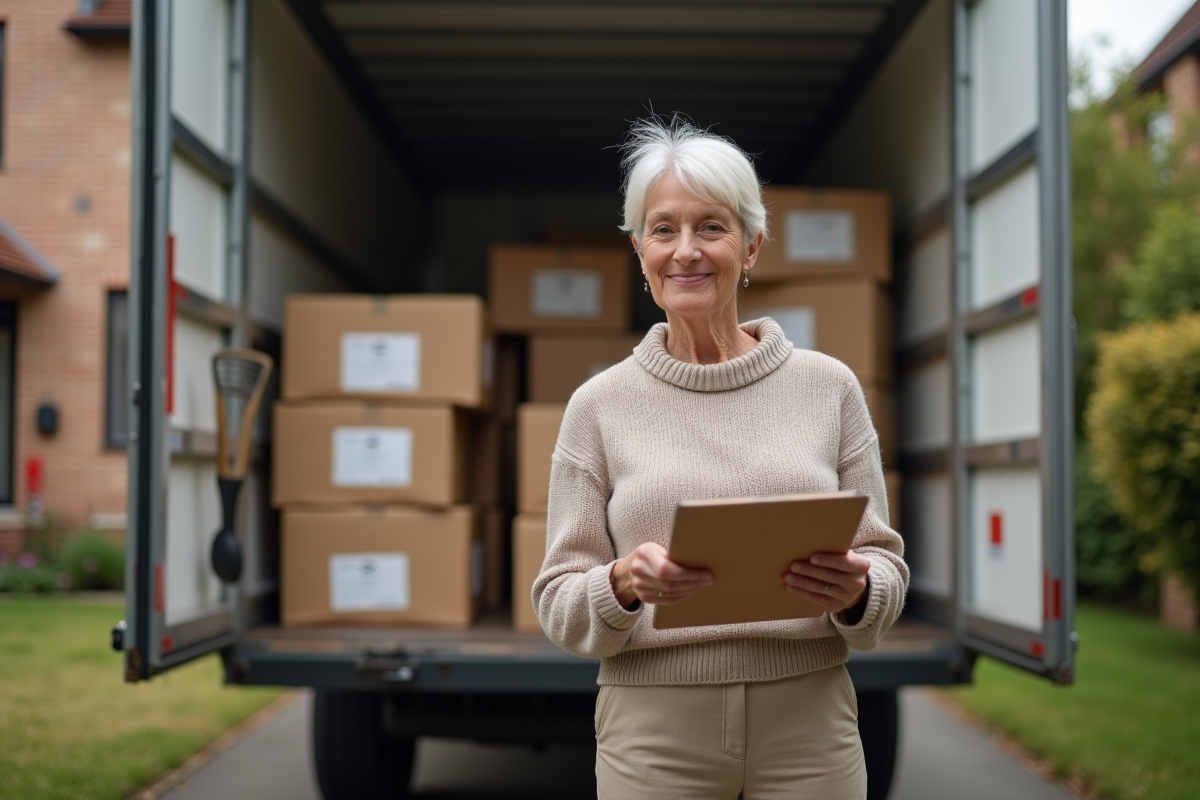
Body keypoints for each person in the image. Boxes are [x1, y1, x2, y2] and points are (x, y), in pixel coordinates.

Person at [531, 116, 909, 800]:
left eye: (711, 227)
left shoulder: (829, 388)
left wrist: (860, 593)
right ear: (638, 249)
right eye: (663, 228)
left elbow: (884, 562)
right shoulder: (598, 405)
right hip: (653, 735)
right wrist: (619, 581)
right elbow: (558, 601)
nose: (686, 251)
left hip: (810, 725)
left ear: (753, 245)